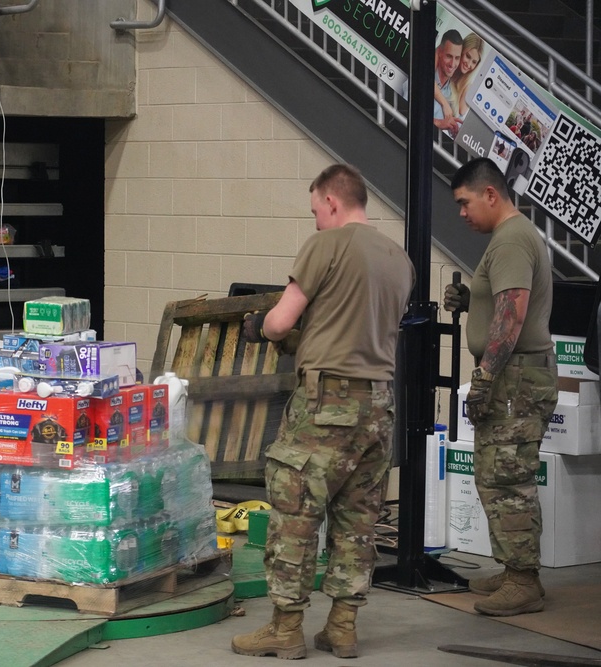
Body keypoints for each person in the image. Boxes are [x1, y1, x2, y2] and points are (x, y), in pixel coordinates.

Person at [230, 164, 414, 659]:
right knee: (357, 520)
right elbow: (351, 325)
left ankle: (286, 629)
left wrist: (261, 327)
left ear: (332, 202)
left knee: (295, 513)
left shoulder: (325, 246)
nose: (314, 221)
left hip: (326, 403)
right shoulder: (401, 260)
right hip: (379, 405)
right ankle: (343, 627)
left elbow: (281, 321)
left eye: (315, 211)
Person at [443, 158, 557, 617]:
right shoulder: (512, 238)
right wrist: (474, 301)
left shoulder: (511, 240)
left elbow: (512, 316)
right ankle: (514, 570)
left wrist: (485, 378)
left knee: (508, 479)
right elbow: (505, 306)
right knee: (494, 476)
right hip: (517, 377)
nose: (462, 213)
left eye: (465, 203)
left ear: (491, 194)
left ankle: (524, 581)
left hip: (516, 379)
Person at [435, 32, 485, 121]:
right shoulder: (442, 57)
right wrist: (445, 104)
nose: (469, 64)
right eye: (468, 56)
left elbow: (461, 113)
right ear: (461, 50)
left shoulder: (466, 86)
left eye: (474, 62)